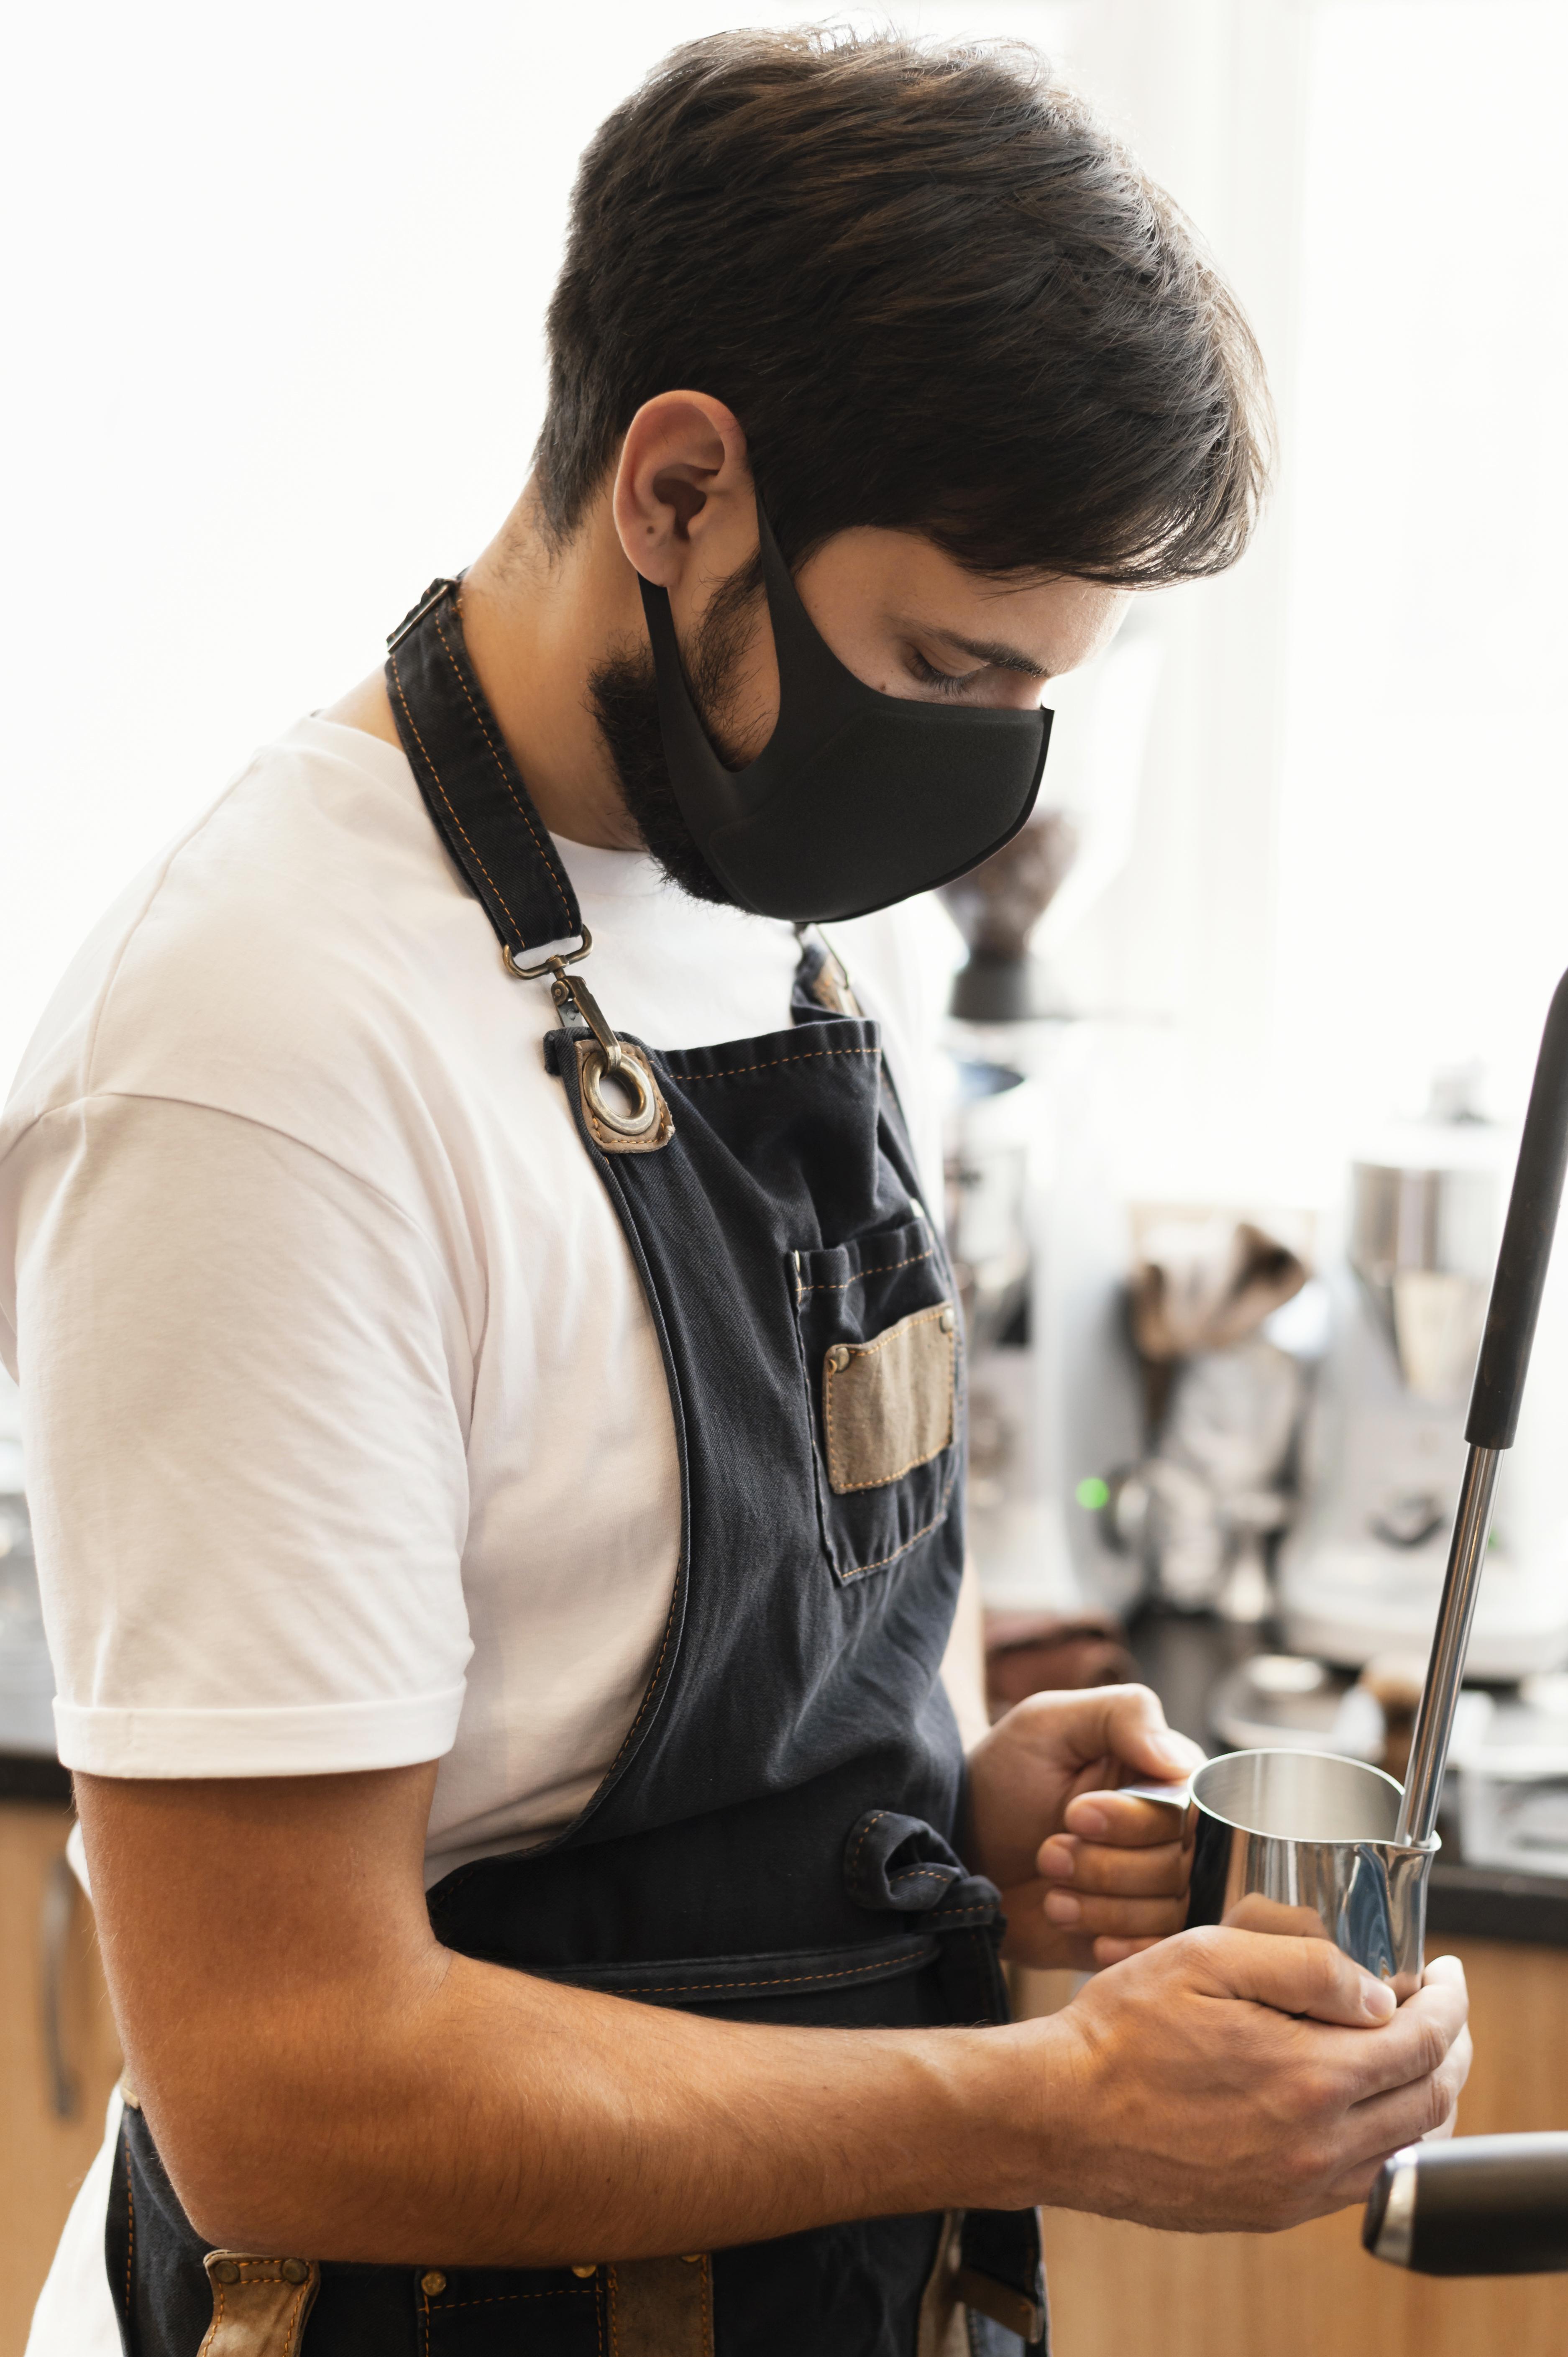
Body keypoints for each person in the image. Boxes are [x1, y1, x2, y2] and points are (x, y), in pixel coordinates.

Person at [2, 27, 1468, 2357]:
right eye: (940, 671)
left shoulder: (764, 902)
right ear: (679, 488)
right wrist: (1049, 2102)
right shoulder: (257, 1053)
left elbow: (631, 1704)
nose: (969, 791)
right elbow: (286, 2084)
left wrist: (946, 1816)